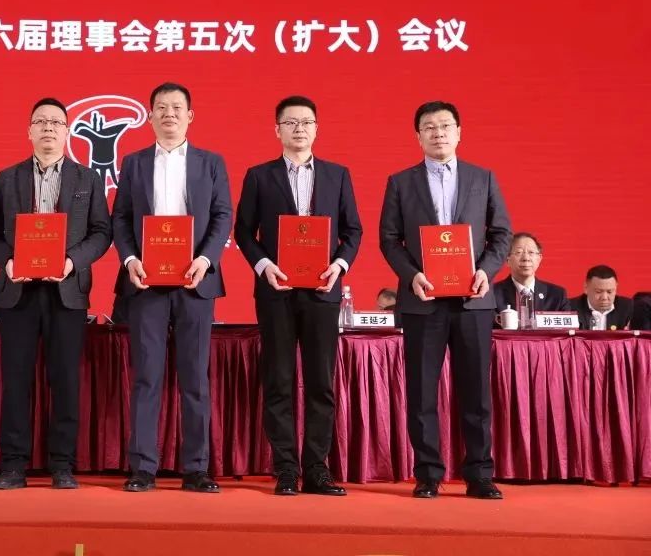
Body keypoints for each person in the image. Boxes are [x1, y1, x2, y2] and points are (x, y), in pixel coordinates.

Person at [379, 100, 511, 500]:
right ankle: (428, 473)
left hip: (473, 300)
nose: (438, 133)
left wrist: (486, 271)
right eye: (429, 127)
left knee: (476, 392)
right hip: (423, 299)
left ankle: (479, 473)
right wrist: (412, 275)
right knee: (421, 392)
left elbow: (501, 234)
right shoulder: (400, 182)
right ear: (418, 136)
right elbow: (390, 239)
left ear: (459, 132)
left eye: (445, 126)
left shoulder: (482, 178)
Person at [0, 97, 112, 490]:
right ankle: (13, 465)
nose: (49, 128)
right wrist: (7, 261)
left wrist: (72, 261)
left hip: (66, 293)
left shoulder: (88, 179)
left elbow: (101, 233)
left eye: (56, 122)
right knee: (16, 379)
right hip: (18, 291)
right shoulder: (8, 178)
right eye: (41, 122)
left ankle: (62, 464)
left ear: (68, 131)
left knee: (66, 379)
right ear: (29, 131)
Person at [234, 95, 362, 497]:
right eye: (290, 123)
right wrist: (264, 266)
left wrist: (338, 265)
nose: (299, 129)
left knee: (322, 382)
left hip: (323, 291)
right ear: (277, 130)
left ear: (317, 129)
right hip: (276, 292)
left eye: (306, 122)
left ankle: (317, 469)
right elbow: (243, 231)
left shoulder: (337, 175)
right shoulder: (259, 176)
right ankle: (286, 469)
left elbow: (353, 231)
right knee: (279, 380)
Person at [112, 82, 232, 494]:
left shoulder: (210, 162)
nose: (169, 114)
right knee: (147, 376)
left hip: (195, 281)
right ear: (149, 116)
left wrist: (206, 259)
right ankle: (143, 467)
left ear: (190, 116)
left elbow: (223, 215)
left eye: (177, 107)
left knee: (194, 378)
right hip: (146, 282)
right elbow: (121, 218)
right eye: (161, 107)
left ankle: (196, 468)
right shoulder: (134, 163)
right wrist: (130, 259)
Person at [492, 232, 569, 317]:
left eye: (531, 252)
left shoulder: (557, 295)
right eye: (519, 252)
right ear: (507, 260)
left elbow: (568, 324)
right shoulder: (493, 294)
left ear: (539, 259)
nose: (526, 258)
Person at [570, 265, 634, 330]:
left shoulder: (628, 307)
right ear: (586, 288)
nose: (604, 297)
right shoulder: (570, 308)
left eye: (609, 292)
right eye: (598, 292)